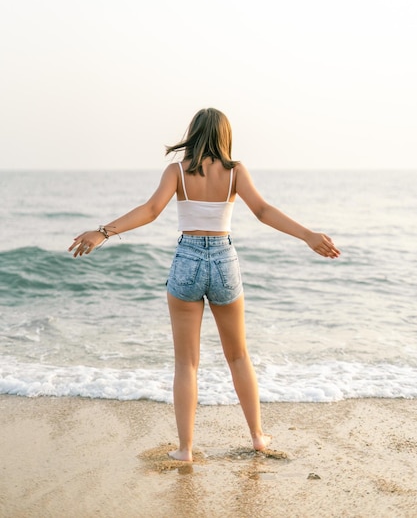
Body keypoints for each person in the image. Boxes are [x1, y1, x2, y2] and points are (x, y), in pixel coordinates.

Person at [68, 108, 340, 462]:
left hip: (187, 261)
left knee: (187, 363)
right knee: (239, 356)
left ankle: (185, 449)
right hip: (224, 261)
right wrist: (307, 235)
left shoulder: (178, 171)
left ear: (193, 133)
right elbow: (262, 211)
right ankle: (258, 437)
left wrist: (103, 232)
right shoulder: (235, 172)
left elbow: (151, 210)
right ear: (225, 136)